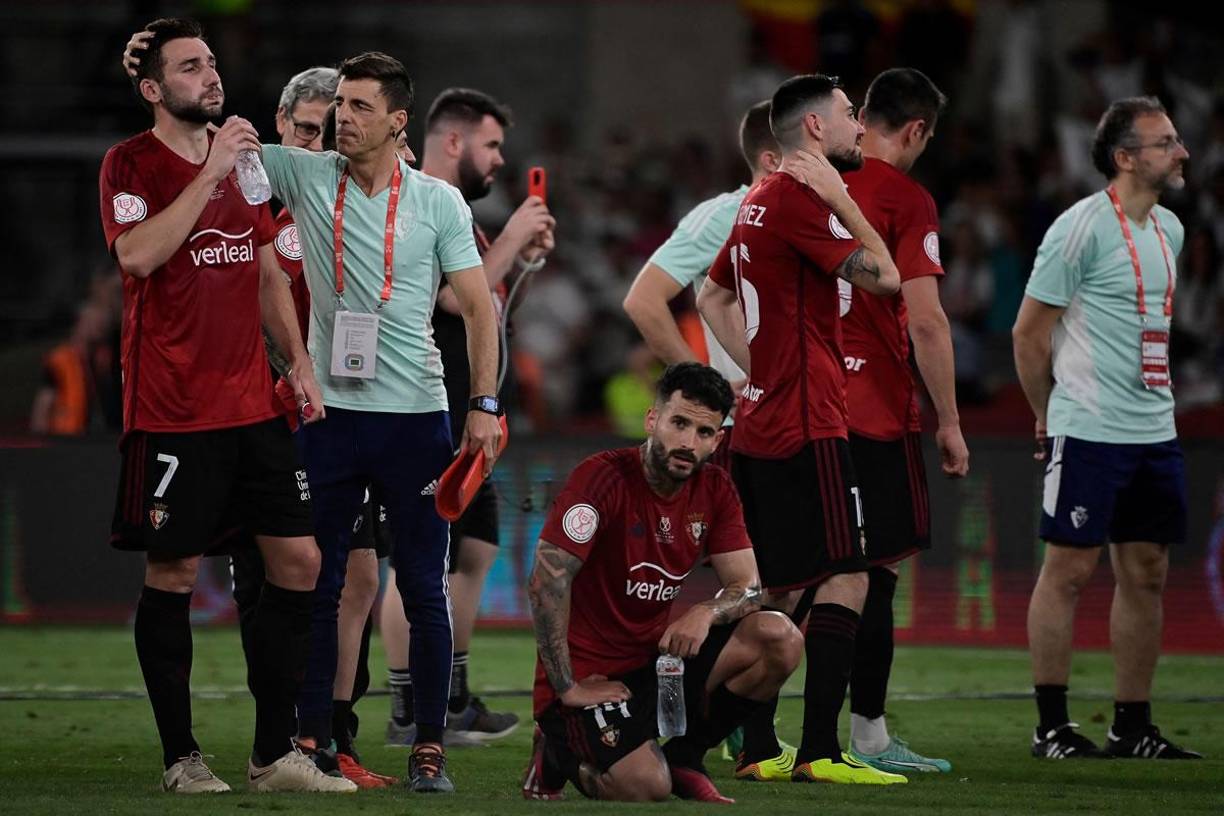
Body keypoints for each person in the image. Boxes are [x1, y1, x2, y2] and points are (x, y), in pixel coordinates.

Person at [99, 18, 353, 794]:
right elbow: (138, 256)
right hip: (173, 411)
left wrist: (300, 363)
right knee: (173, 572)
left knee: (300, 560)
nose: (210, 76)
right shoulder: (130, 164)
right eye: (189, 67)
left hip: (254, 404)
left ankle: (275, 754)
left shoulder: (245, 163)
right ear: (152, 88)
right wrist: (209, 174)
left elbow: (266, 274)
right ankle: (181, 758)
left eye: (210, 63)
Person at [257, 52, 503, 793]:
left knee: (422, 585)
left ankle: (429, 746)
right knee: (321, 585)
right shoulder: (305, 173)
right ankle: (311, 738)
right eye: (340, 106)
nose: (344, 118)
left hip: (416, 419)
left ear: (399, 123)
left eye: (361, 106)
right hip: (330, 418)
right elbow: (210, 150)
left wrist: (484, 404)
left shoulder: (438, 202)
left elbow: (480, 309)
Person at [697, 74, 906, 785]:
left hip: (761, 417)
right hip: (810, 422)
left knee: (778, 587)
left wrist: (764, 369)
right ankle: (820, 749)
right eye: (850, 116)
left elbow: (711, 293)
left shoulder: (757, 199)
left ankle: (754, 749)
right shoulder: (800, 199)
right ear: (814, 129)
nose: (859, 128)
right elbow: (885, 277)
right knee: (848, 574)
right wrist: (844, 198)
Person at [1013, 96, 1203, 761]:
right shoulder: (1079, 228)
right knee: (1067, 569)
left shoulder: (1171, 231)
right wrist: (1046, 414)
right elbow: (1029, 334)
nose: (1180, 151)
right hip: (1088, 426)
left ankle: (1132, 726)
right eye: (1165, 143)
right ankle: (1051, 727)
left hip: (1155, 426)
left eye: (1177, 140)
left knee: (1147, 571)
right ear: (1125, 158)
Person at [520, 362, 803, 803]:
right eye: (679, 423)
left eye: (704, 432)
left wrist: (704, 612)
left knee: (779, 637)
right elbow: (545, 582)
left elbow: (749, 587)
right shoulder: (601, 478)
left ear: (718, 440)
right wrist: (567, 687)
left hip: (655, 666)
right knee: (647, 787)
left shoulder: (716, 488)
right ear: (653, 420)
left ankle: (686, 757)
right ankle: (556, 752)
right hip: (589, 678)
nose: (689, 443)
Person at [623, 100, 797, 779]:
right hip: (738, 433)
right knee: (746, 583)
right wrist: (706, 402)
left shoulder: (802, 219)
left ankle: (741, 736)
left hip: (782, 425)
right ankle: (713, 731)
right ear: (774, 156)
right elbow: (643, 298)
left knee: (777, 586)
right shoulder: (721, 213)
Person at [381, 87, 554, 748]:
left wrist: (524, 259)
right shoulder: (415, 199)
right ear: (453, 141)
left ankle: (450, 697)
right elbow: (457, 299)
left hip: (476, 411)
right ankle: (407, 709)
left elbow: (492, 309)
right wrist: (512, 238)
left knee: (474, 551)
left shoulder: (461, 215)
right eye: (491, 145)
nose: (499, 161)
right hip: (428, 405)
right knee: (418, 558)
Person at [837, 67, 967, 774]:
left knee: (796, 572)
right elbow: (927, 321)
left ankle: (736, 718)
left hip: (801, 404)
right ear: (915, 130)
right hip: (875, 413)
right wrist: (948, 420)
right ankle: (869, 738)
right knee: (874, 573)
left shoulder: (806, 185)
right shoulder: (905, 199)